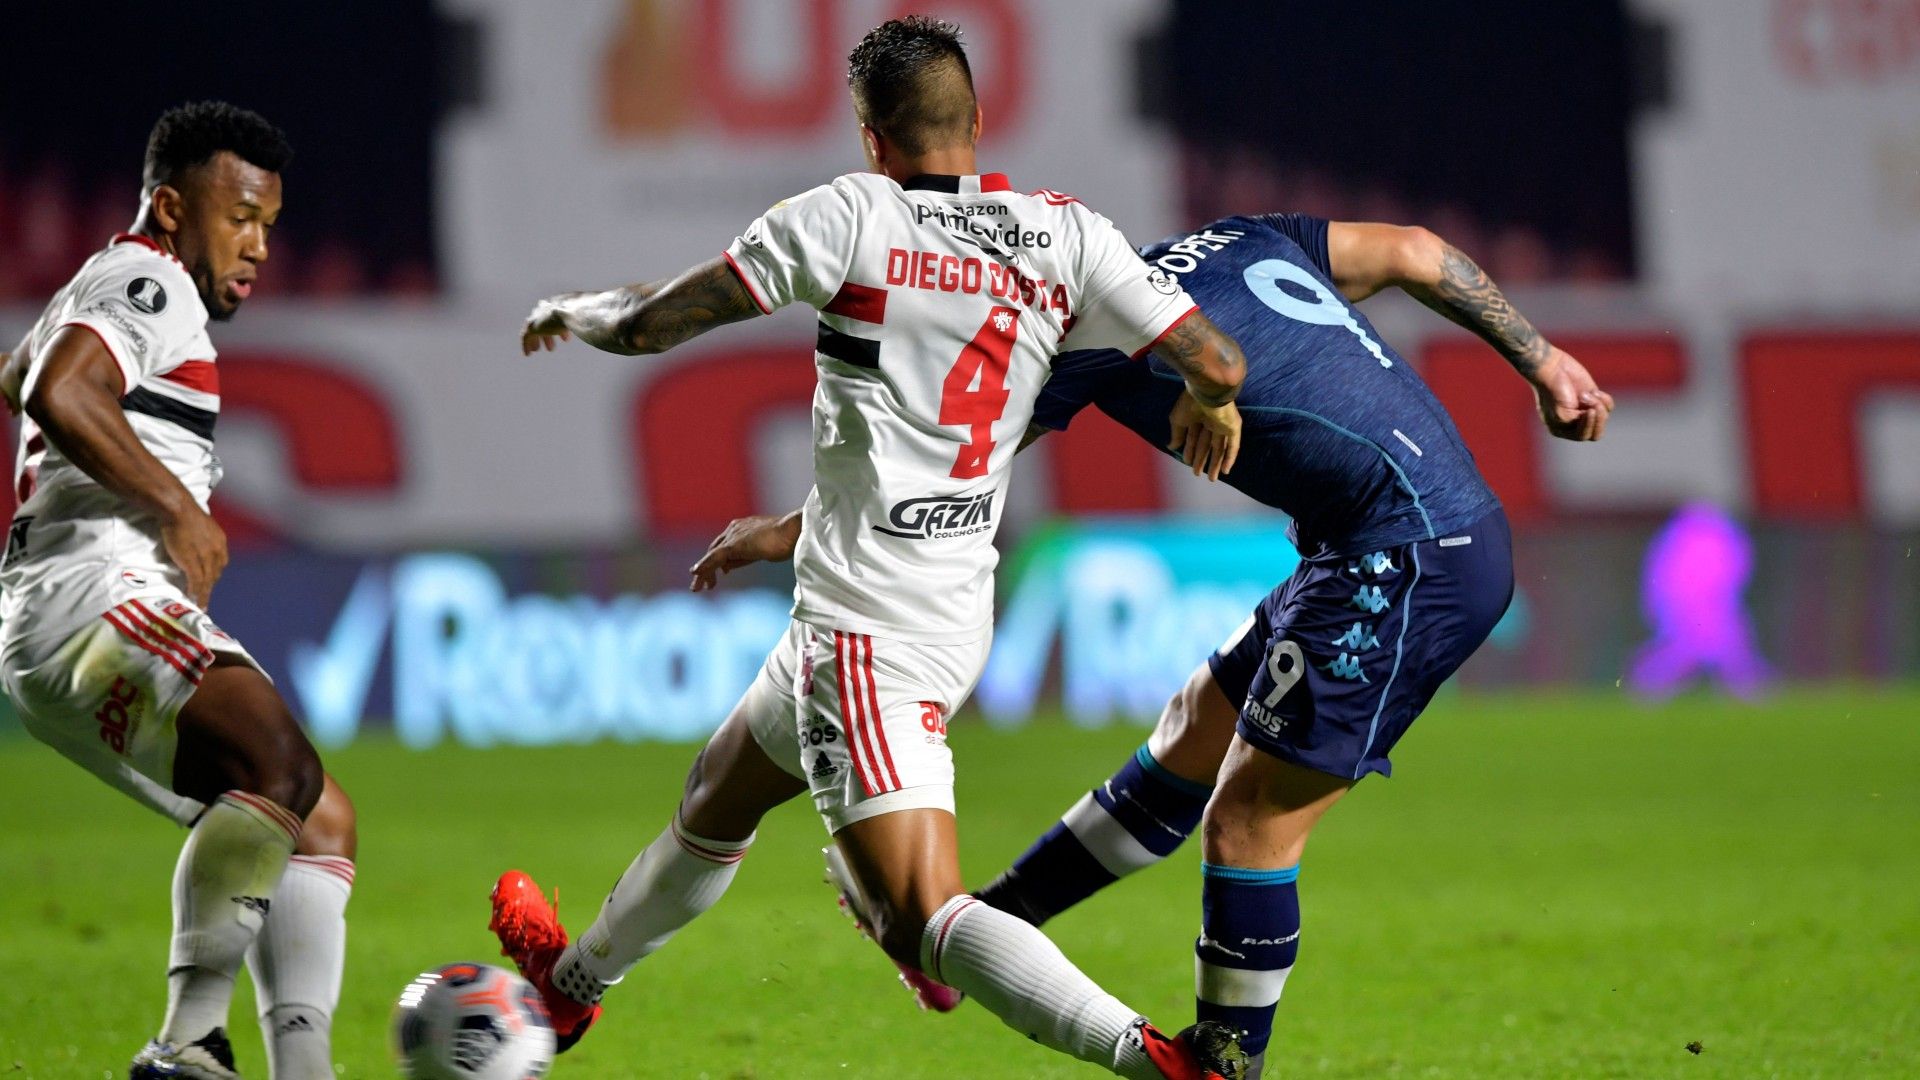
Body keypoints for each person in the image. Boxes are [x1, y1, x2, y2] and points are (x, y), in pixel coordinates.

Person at [490, 17, 1253, 1079]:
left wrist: (573, 310)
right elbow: (1217, 357)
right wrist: (1213, 402)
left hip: (868, 631)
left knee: (922, 912)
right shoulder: (1066, 232)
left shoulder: (852, 217)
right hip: (935, 604)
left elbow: (656, 323)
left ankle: (1154, 1063)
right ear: (977, 122)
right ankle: (569, 994)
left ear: (869, 137)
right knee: (720, 792)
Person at [694, 212, 1614, 1078]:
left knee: (1250, 820)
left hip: (1408, 557)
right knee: (1192, 731)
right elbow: (1415, 250)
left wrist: (788, 529)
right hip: (1376, 543)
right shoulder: (1235, 239)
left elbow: (938, 473)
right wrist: (1545, 361)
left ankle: (1221, 1065)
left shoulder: (1076, 339)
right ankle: (988, 932)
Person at [0, 102, 357, 1080]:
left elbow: (22, 370)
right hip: (89, 593)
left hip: (64, 614)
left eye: (270, 226)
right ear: (169, 207)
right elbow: (56, 390)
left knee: (318, 817)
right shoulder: (153, 280)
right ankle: (184, 1047)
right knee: (273, 761)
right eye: (238, 217)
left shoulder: (115, 276)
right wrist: (179, 508)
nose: (257, 247)